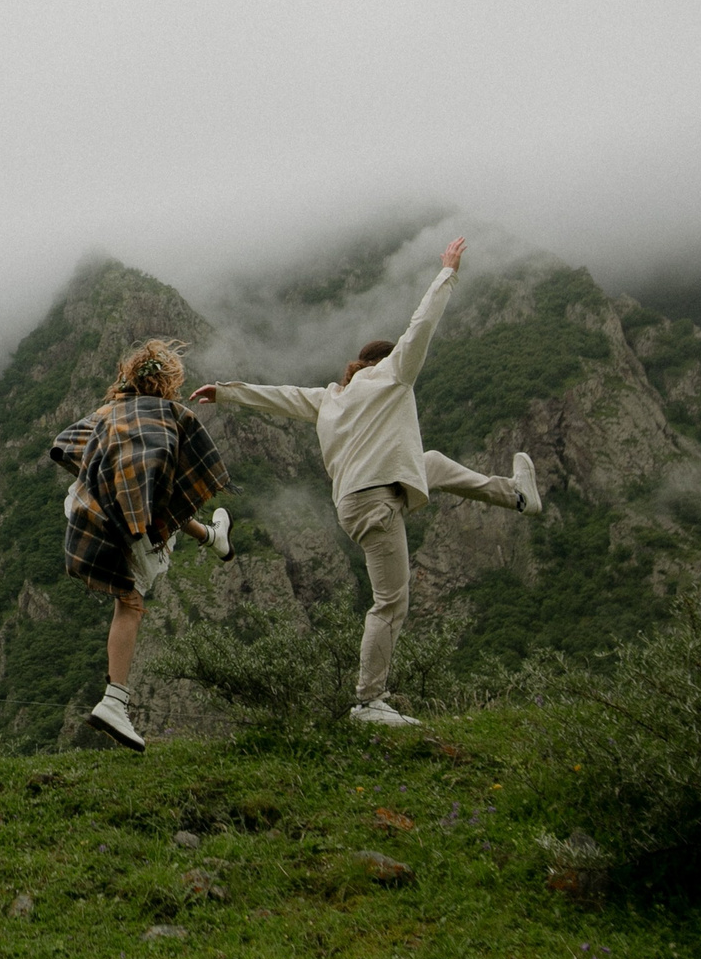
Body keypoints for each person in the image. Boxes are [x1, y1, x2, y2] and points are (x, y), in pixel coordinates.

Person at [191, 236, 543, 729]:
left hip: (360, 500)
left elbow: (282, 396)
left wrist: (226, 393)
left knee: (433, 462)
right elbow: (422, 325)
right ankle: (368, 702)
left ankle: (518, 495)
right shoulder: (395, 376)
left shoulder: (333, 397)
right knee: (390, 603)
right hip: (375, 504)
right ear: (386, 362)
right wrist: (447, 272)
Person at [52, 338, 233, 752]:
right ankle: (115, 700)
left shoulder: (107, 413)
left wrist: (106, 472)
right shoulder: (172, 415)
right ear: (168, 382)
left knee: (155, 502)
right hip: (131, 523)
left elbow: (66, 444)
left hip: (92, 511)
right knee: (130, 604)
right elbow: (181, 472)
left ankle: (213, 538)